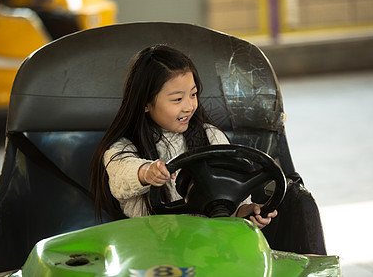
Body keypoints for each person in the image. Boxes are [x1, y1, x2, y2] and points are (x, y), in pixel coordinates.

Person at [90, 45, 277, 229]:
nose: (189, 106)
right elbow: (120, 177)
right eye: (177, 99)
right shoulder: (123, 149)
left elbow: (230, 205)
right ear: (145, 103)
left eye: (193, 94)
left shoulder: (211, 136)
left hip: (209, 248)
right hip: (153, 252)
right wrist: (147, 172)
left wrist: (247, 213)